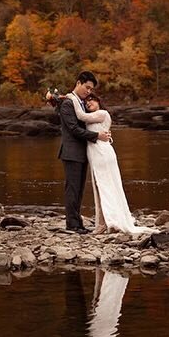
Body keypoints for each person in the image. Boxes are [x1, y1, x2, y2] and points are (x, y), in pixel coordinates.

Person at [65, 91, 156, 235]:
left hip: (102, 155)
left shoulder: (102, 113)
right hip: (96, 156)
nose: (89, 103)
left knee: (105, 188)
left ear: (98, 101)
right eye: (87, 102)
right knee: (100, 189)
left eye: (92, 100)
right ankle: (102, 223)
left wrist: (72, 98)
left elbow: (81, 116)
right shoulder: (94, 117)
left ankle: (110, 222)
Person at [57, 71, 111, 234]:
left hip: (82, 152)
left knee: (79, 189)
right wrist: (97, 136)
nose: (88, 91)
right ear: (78, 83)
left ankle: (77, 222)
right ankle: (72, 224)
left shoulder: (78, 103)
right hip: (72, 152)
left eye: (91, 89)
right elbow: (73, 129)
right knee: (72, 188)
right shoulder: (68, 103)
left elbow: (88, 123)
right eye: (87, 87)